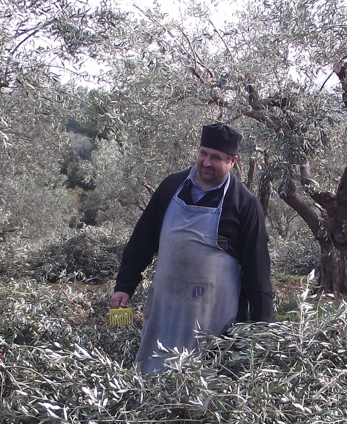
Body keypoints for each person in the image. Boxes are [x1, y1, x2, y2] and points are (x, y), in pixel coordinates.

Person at [112, 123, 274, 373]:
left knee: (204, 381)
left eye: (216, 158)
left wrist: (263, 329)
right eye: (203, 153)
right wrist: (124, 286)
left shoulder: (244, 204)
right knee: (153, 371)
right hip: (167, 306)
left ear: (233, 161)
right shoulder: (171, 187)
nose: (206, 162)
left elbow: (258, 270)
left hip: (212, 317)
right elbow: (141, 240)